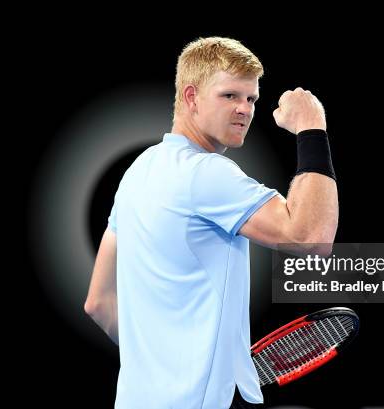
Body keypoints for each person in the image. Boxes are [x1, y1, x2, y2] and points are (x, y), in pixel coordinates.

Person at [84, 36, 339, 409]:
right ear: (191, 97)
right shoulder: (207, 174)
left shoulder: (137, 173)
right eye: (229, 96)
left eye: (251, 98)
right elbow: (312, 239)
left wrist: (167, 359)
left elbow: (98, 303)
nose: (244, 110)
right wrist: (312, 126)